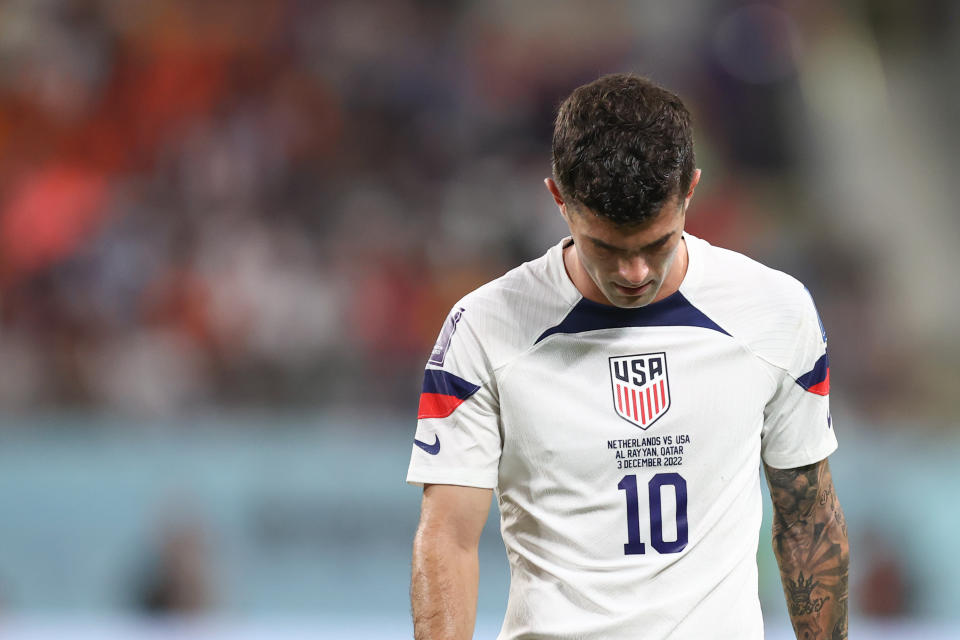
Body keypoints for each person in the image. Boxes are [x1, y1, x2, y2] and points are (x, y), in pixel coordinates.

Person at [407, 73, 849, 640]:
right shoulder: (483, 330)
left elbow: (807, 519)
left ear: (690, 191)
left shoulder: (775, 312)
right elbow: (448, 536)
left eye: (656, 243)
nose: (634, 273)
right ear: (558, 199)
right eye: (608, 248)